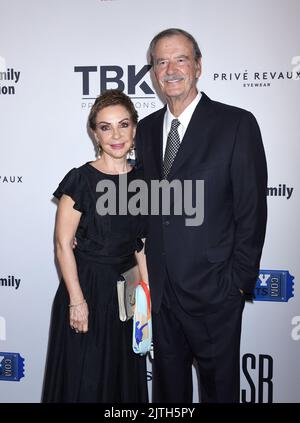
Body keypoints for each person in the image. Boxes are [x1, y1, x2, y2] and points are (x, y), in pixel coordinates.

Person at [135, 28, 268, 403]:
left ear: (198, 66)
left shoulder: (236, 124)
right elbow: (140, 205)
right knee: (167, 395)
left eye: (180, 59)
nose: (171, 69)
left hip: (215, 292)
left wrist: (237, 284)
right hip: (161, 294)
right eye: (161, 61)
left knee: (218, 393)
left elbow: (251, 210)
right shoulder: (144, 131)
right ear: (153, 72)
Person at [42, 89, 148, 403]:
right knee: (84, 381)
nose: (116, 134)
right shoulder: (80, 179)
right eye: (105, 127)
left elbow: (141, 244)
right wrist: (76, 300)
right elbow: (62, 244)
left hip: (126, 297)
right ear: (95, 134)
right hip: (86, 289)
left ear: (135, 129)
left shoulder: (144, 180)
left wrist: (147, 299)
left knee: (121, 381)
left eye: (123, 124)